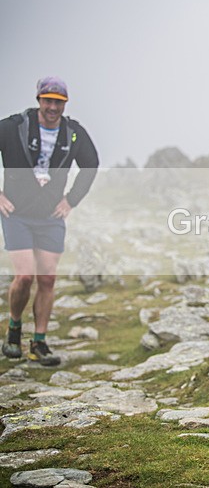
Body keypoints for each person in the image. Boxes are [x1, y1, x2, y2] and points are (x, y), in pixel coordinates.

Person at [0, 77, 99, 366]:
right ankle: (14, 330)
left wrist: (71, 200)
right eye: (48, 100)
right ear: (39, 99)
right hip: (16, 214)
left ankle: (39, 343)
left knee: (47, 279)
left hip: (50, 218)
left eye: (59, 101)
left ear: (64, 104)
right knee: (25, 276)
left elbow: (91, 165)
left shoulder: (73, 133)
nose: (53, 106)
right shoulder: (13, 126)